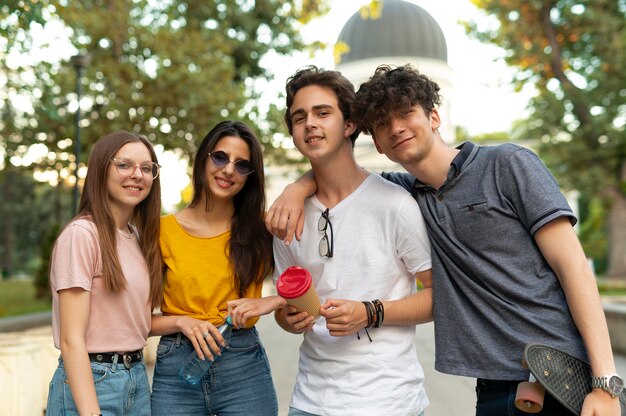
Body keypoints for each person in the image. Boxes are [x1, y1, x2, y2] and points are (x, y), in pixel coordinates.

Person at [267, 64, 623, 415]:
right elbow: (339, 176)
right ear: (376, 142)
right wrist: (296, 189)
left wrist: (605, 381)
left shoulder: (508, 165)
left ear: (434, 116)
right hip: (492, 386)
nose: (397, 128)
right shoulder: (406, 193)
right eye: (383, 124)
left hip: (561, 377)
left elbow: (573, 266)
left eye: (406, 113)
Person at [254, 65, 434, 416]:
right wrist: (288, 319)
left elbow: (439, 297)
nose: (310, 124)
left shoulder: (395, 204)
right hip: (310, 401)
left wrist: (370, 313)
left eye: (323, 112)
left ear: (349, 124)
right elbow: (285, 307)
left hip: (389, 402)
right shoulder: (287, 215)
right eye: (299, 117)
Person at [149, 120, 278, 416]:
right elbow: (138, 322)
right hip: (177, 366)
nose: (229, 169)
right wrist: (182, 322)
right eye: (220, 157)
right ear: (203, 159)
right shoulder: (162, 232)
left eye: (242, 164)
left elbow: (311, 281)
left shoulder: (262, 228)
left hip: (243, 366)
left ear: (250, 176)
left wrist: (272, 301)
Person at [47, 131, 163, 416]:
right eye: (124, 165)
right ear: (101, 170)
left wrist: (186, 323)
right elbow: (71, 339)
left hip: (135, 379)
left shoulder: (136, 238)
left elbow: (134, 324)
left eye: (147, 168)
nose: (137, 174)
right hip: (93, 381)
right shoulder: (82, 235)